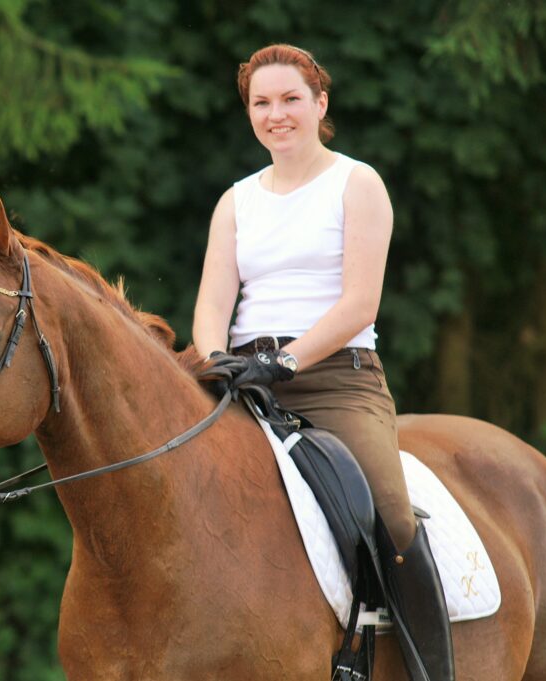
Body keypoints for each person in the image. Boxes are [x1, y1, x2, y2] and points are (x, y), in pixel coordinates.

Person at [193, 44, 453, 681]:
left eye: (290, 100)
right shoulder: (236, 201)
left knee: (391, 513)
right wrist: (214, 359)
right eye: (261, 103)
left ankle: (431, 669)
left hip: (337, 377)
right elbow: (211, 306)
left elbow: (360, 299)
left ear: (320, 104)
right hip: (242, 375)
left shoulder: (356, 183)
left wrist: (286, 361)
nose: (275, 114)